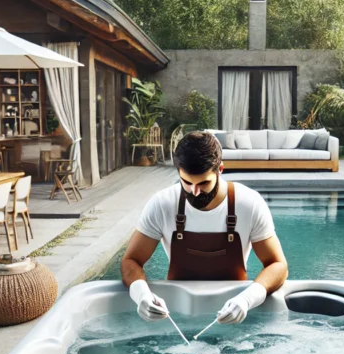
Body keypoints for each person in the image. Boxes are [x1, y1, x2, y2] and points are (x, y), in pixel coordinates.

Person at [122, 131, 288, 325]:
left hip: (233, 314)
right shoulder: (162, 204)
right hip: (179, 314)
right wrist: (141, 294)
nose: (195, 192)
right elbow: (131, 260)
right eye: (187, 183)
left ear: (220, 170)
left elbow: (278, 265)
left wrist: (247, 299)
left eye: (204, 183)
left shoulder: (249, 203)